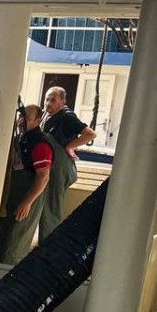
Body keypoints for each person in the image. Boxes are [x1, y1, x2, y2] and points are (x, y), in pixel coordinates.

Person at [0, 105, 52, 265]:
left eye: (26, 118)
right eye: (20, 117)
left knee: (13, 248)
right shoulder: (19, 139)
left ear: (38, 121)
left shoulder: (40, 144)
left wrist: (27, 203)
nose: (21, 121)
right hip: (11, 197)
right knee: (3, 241)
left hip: (27, 199)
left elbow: (43, 177)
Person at [38, 86, 93, 238]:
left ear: (62, 102)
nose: (48, 103)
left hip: (60, 169)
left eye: (53, 100)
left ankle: (49, 246)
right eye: (47, 99)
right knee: (44, 206)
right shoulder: (47, 116)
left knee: (51, 208)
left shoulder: (67, 117)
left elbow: (90, 134)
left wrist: (70, 146)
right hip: (50, 166)